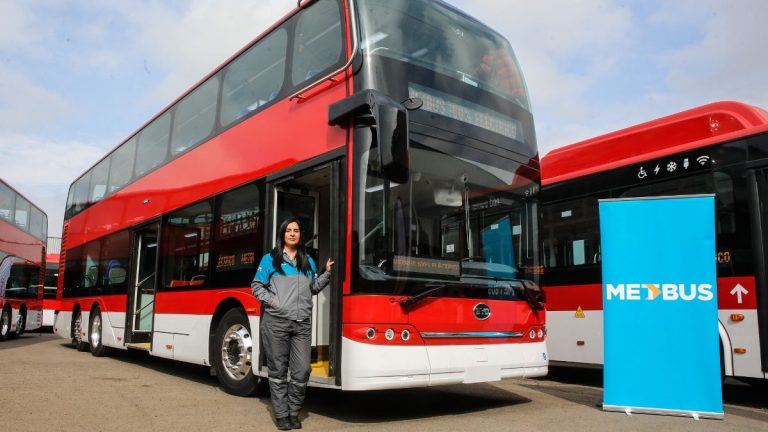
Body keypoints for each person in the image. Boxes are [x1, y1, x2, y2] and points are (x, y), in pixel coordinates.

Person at [251, 218, 333, 430]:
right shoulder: (271, 259)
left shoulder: (308, 261)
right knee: (278, 371)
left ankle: (293, 411)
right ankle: (282, 415)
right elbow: (257, 286)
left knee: (302, 371)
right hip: (276, 322)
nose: (292, 234)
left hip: (302, 325)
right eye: (288, 230)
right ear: (282, 234)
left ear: (300, 235)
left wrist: (327, 274)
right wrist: (274, 302)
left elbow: (313, 288)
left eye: (296, 230)